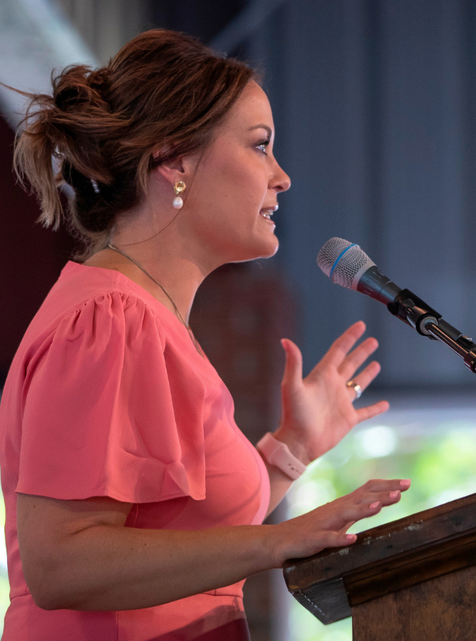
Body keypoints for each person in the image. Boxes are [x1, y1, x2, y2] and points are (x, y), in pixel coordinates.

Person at [1, 30, 409, 639]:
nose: (282, 177)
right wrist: (278, 542)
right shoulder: (109, 321)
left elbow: (180, 532)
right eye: (260, 147)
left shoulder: (147, 319)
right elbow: (61, 562)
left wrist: (292, 445)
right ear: (177, 161)